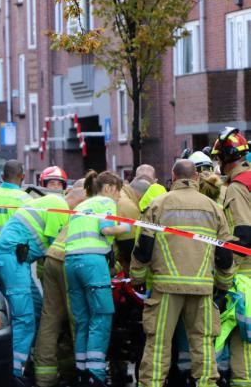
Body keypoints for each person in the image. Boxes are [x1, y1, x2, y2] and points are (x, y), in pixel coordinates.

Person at [130, 159, 235, 387]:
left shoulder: (158, 205)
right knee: (203, 344)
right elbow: (225, 254)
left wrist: (137, 279)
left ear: (174, 177)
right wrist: (223, 284)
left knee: (158, 344)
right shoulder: (214, 208)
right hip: (202, 288)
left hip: (165, 288)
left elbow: (143, 249)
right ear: (196, 178)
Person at [0, 183, 86, 385]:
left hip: (17, 260)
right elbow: (58, 248)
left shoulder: (54, 203)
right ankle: (13, 374)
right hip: (12, 259)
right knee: (24, 318)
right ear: (79, 203)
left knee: (36, 309)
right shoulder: (58, 206)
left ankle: (25, 363)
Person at [64, 170, 130, 386]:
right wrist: (128, 226)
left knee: (82, 320)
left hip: (71, 264)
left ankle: (82, 371)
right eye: (119, 192)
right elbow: (108, 229)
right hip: (92, 264)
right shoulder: (105, 203)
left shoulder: (82, 205)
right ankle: (95, 374)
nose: (119, 198)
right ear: (110, 188)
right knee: (101, 317)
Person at [34, 183, 86, 387]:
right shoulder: (90, 207)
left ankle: (44, 377)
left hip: (50, 262)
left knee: (50, 320)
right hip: (69, 261)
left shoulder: (59, 204)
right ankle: (81, 373)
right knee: (77, 319)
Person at [211, 127, 251, 385]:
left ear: (226, 158)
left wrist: (223, 267)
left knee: (242, 341)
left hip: (246, 276)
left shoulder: (238, 187)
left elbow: (244, 234)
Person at [115, 178, 151, 274]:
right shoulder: (128, 205)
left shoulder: (121, 195)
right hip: (107, 260)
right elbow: (128, 242)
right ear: (141, 196)